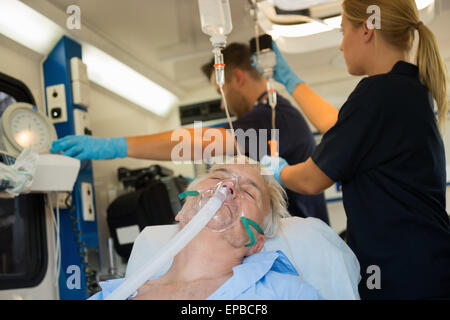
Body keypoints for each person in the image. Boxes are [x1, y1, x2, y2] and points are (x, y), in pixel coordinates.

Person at [262, 0, 450, 300]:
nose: (340, 46)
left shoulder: (377, 93)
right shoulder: (407, 91)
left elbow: (312, 179)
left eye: (342, 31)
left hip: (402, 276)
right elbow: (339, 127)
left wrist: (277, 171)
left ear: (366, 29)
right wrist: (290, 80)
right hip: (426, 268)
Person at [50, 42, 330, 225]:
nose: (222, 104)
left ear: (238, 79)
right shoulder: (276, 115)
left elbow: (193, 143)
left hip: (297, 245)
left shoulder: (272, 116)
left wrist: (114, 146)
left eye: (219, 92)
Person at [89, 158, 323, 300]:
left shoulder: (288, 293)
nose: (228, 186)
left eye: (249, 192)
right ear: (182, 211)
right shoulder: (115, 294)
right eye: (218, 177)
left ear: (255, 243)